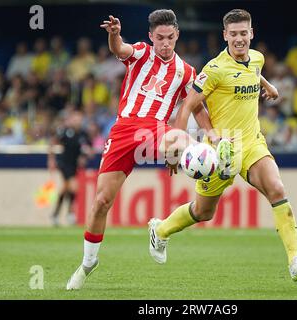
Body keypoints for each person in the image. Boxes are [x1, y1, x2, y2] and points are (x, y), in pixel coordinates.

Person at [148, 9, 297, 282]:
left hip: (251, 142)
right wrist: (174, 149)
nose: (239, 39)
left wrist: (269, 86)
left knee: (276, 189)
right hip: (218, 151)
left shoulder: (258, 58)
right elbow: (188, 105)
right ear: (225, 35)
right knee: (204, 212)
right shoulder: (214, 70)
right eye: (234, 34)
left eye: (243, 33)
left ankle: (294, 260)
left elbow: (253, 69)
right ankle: (162, 230)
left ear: (251, 33)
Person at [66, 9, 209, 290]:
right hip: (122, 131)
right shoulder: (142, 53)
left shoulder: (186, 72)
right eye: (159, 38)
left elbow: (196, 107)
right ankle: (88, 263)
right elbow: (119, 49)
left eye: (169, 37)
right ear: (150, 37)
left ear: (177, 35)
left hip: (153, 129)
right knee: (101, 203)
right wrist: (114, 35)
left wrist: (211, 136)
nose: (165, 43)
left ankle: (165, 223)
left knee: (185, 142)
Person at [48, 110, 91, 227]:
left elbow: (90, 150)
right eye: (76, 119)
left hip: (74, 165)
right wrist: (51, 160)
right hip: (64, 163)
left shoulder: (83, 134)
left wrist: (85, 156)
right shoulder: (66, 132)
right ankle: (70, 214)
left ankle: (55, 215)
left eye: (80, 120)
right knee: (73, 186)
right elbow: (52, 142)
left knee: (65, 189)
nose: (78, 122)